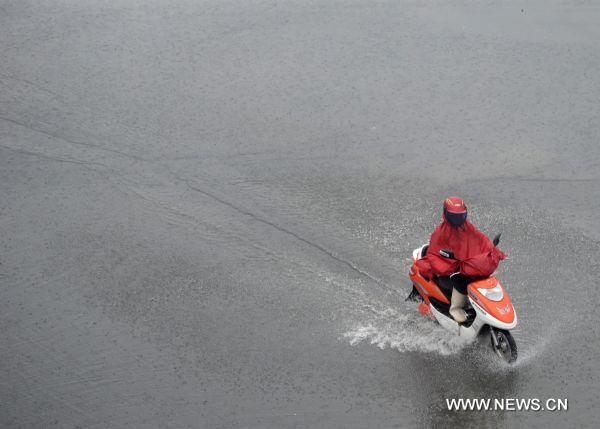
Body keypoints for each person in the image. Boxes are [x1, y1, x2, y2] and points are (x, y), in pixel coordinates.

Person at [416, 197, 505, 323]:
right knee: (461, 279)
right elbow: (434, 256)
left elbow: (480, 239)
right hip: (447, 271)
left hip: (462, 265)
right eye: (454, 217)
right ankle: (456, 309)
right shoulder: (440, 233)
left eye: (460, 216)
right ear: (446, 214)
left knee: (481, 276)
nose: (457, 220)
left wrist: (492, 249)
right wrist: (453, 264)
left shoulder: (467, 227)